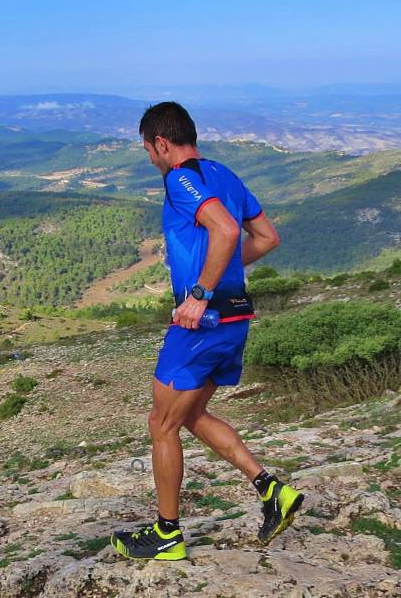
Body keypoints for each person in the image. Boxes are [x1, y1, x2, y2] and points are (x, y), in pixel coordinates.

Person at [110, 102, 304, 561]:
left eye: (148, 150)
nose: (150, 159)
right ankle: (271, 490)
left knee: (161, 423)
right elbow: (266, 237)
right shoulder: (224, 172)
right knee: (189, 417)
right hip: (235, 319)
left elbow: (224, 230)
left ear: (161, 143)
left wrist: (199, 293)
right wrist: (222, 279)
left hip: (205, 322)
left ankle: (167, 535)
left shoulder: (181, 178)